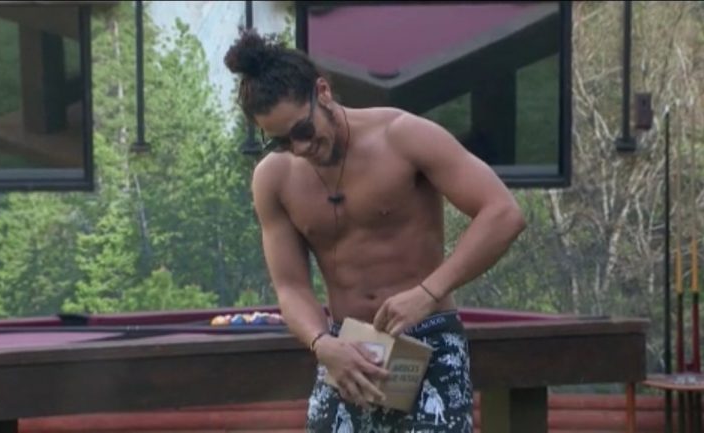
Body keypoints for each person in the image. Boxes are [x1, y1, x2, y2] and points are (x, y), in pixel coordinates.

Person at [224, 28, 526, 433]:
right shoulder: (273, 179)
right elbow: (291, 287)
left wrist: (427, 293)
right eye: (280, 141)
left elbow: (503, 213)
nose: (299, 148)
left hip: (428, 337)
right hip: (344, 349)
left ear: (322, 92)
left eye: (302, 131)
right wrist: (322, 344)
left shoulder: (403, 136)